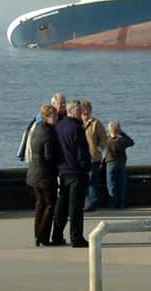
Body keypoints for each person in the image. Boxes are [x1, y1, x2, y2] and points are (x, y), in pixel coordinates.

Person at [52, 100, 91, 248]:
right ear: (73, 111)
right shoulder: (77, 128)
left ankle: (56, 235)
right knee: (75, 207)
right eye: (80, 110)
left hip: (63, 171)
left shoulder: (59, 127)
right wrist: (86, 168)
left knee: (62, 206)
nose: (82, 113)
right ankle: (76, 237)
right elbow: (82, 153)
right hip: (76, 173)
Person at [25, 105, 59, 246]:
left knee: (40, 204)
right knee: (50, 205)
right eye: (54, 116)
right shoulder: (49, 133)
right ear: (47, 117)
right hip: (45, 174)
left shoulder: (37, 128)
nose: (56, 118)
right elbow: (49, 156)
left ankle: (37, 235)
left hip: (33, 173)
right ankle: (42, 237)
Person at [81, 100, 108, 212]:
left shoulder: (96, 123)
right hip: (81, 158)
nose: (86, 111)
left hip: (93, 158)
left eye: (88, 109)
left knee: (92, 181)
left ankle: (91, 204)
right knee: (83, 181)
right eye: (84, 109)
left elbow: (104, 138)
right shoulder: (77, 123)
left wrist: (98, 149)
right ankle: (83, 202)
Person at [104, 121, 135, 209]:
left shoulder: (107, 140)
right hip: (121, 163)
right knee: (122, 184)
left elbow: (99, 144)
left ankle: (113, 204)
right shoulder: (122, 140)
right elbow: (131, 142)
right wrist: (123, 133)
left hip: (110, 164)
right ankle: (122, 204)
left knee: (111, 185)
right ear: (118, 130)